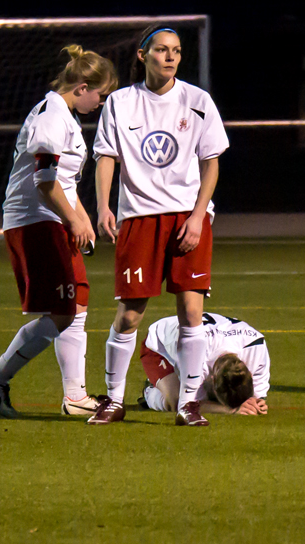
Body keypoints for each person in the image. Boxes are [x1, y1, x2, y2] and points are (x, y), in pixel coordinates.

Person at [89, 25, 229, 426]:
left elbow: (211, 162)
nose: (170, 57)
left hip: (187, 217)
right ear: (142, 55)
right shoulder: (120, 103)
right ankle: (113, 400)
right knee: (130, 314)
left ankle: (188, 404)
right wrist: (102, 207)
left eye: (177, 51)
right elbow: (106, 157)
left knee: (191, 311)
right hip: (139, 218)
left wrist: (199, 216)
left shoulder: (198, 101)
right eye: (162, 50)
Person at [0, 45, 118, 417]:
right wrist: (72, 219)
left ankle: (75, 396)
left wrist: (82, 216)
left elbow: (64, 181)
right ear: (83, 86)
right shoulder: (52, 116)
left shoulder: (64, 116)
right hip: (36, 220)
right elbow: (44, 179)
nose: (100, 103)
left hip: (52, 217)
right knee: (62, 311)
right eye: (99, 95)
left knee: (77, 302)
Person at [138, 312, 269, 416]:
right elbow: (187, 404)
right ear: (212, 380)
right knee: (175, 400)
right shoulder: (196, 358)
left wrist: (255, 400)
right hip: (159, 344)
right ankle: (149, 393)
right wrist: (230, 410)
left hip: (201, 338)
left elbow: (257, 393)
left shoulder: (256, 347)